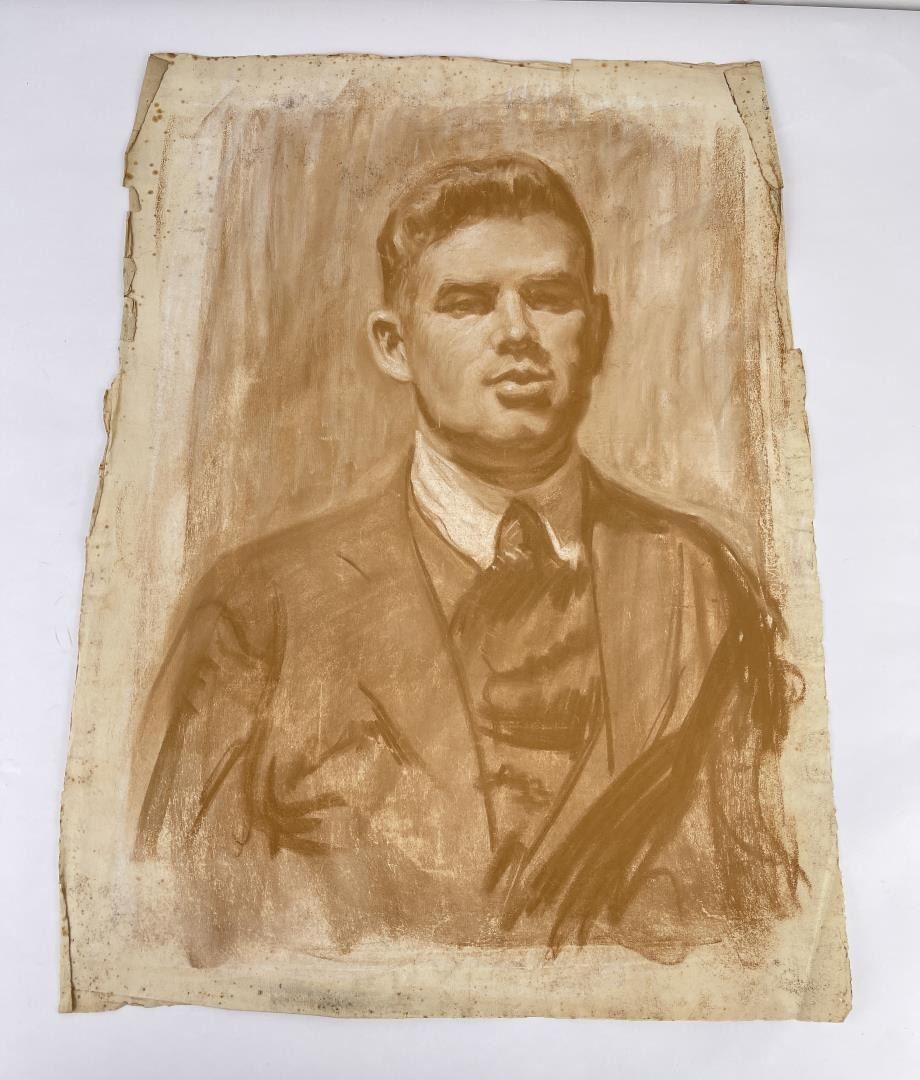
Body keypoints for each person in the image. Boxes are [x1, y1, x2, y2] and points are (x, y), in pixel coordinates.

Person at [134, 153, 802, 963]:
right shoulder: (258, 612)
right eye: (468, 303)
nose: (517, 333)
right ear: (394, 344)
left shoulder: (704, 587)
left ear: (597, 331)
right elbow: (186, 933)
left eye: (548, 298)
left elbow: (766, 918)